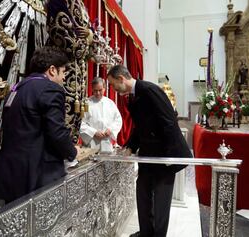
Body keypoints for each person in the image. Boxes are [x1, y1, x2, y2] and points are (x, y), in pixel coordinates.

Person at [107, 65, 192, 237]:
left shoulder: (149, 90)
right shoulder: (134, 96)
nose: (114, 89)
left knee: (161, 201)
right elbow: (141, 126)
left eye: (113, 84)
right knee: (143, 195)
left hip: (164, 155)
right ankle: (146, 233)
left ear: (121, 79)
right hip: (148, 153)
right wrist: (131, 146)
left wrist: (170, 156)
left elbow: (169, 121)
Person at [0, 46, 79, 203]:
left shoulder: (16, 88)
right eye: (63, 72)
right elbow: (57, 132)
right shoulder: (50, 89)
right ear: (52, 70)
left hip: (11, 171)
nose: (64, 78)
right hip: (37, 174)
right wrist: (72, 153)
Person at [79, 77, 122, 153]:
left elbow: (118, 120)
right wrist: (94, 132)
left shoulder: (110, 103)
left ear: (104, 88)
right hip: (91, 143)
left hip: (107, 143)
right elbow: (80, 123)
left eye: (100, 90)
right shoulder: (86, 104)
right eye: (95, 90)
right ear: (92, 89)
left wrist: (111, 130)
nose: (98, 93)